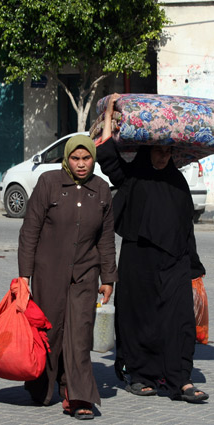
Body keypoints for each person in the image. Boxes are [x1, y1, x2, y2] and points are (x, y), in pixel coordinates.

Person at [96, 93, 209, 403]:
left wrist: (194, 272)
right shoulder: (133, 177)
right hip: (138, 259)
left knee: (179, 320)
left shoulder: (178, 184)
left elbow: (186, 228)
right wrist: (109, 109)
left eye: (167, 151)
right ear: (149, 151)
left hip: (174, 263)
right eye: (158, 150)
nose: (162, 157)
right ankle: (140, 374)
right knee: (139, 318)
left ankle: (180, 380)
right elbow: (106, 151)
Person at [18, 134, 118, 419]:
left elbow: (106, 238)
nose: (81, 164)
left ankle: (78, 397)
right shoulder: (49, 183)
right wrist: (25, 275)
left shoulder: (101, 190)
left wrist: (108, 278)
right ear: (67, 159)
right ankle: (41, 386)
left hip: (86, 273)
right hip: (48, 272)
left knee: (79, 335)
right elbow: (30, 231)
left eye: (86, 158)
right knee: (50, 331)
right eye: (76, 158)